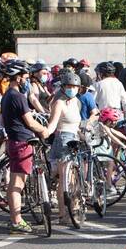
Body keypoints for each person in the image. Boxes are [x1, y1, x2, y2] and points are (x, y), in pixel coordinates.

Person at [0, 60, 47, 233]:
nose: (27, 80)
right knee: (17, 184)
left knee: (16, 182)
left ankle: (16, 219)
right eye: (25, 77)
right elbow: (30, 122)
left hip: (14, 140)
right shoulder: (17, 96)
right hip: (22, 141)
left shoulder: (7, 96)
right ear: (18, 78)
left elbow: (4, 120)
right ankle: (17, 220)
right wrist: (45, 131)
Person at [43, 69, 84, 217]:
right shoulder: (59, 102)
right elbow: (53, 124)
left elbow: (77, 124)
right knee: (64, 177)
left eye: (74, 87)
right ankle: (62, 213)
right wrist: (44, 133)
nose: (72, 89)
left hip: (75, 138)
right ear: (63, 87)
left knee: (74, 177)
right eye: (69, 86)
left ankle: (73, 207)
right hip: (63, 139)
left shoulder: (76, 102)